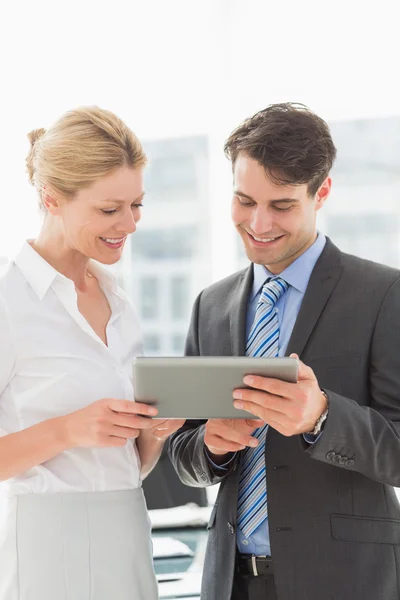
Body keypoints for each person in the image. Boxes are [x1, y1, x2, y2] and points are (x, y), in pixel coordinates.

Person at [168, 103, 400, 600]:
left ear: (323, 192)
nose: (259, 222)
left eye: (282, 205)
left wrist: (322, 416)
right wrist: (211, 444)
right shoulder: (211, 305)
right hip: (232, 582)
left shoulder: (384, 295)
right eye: (244, 200)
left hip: (344, 581)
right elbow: (182, 454)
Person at [0, 106, 185, 600]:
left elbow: (128, 465)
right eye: (109, 210)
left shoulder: (118, 300)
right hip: (48, 542)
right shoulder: (7, 298)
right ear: (52, 199)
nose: (130, 223)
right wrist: (68, 429)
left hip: (128, 526)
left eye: (137, 205)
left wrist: (151, 434)